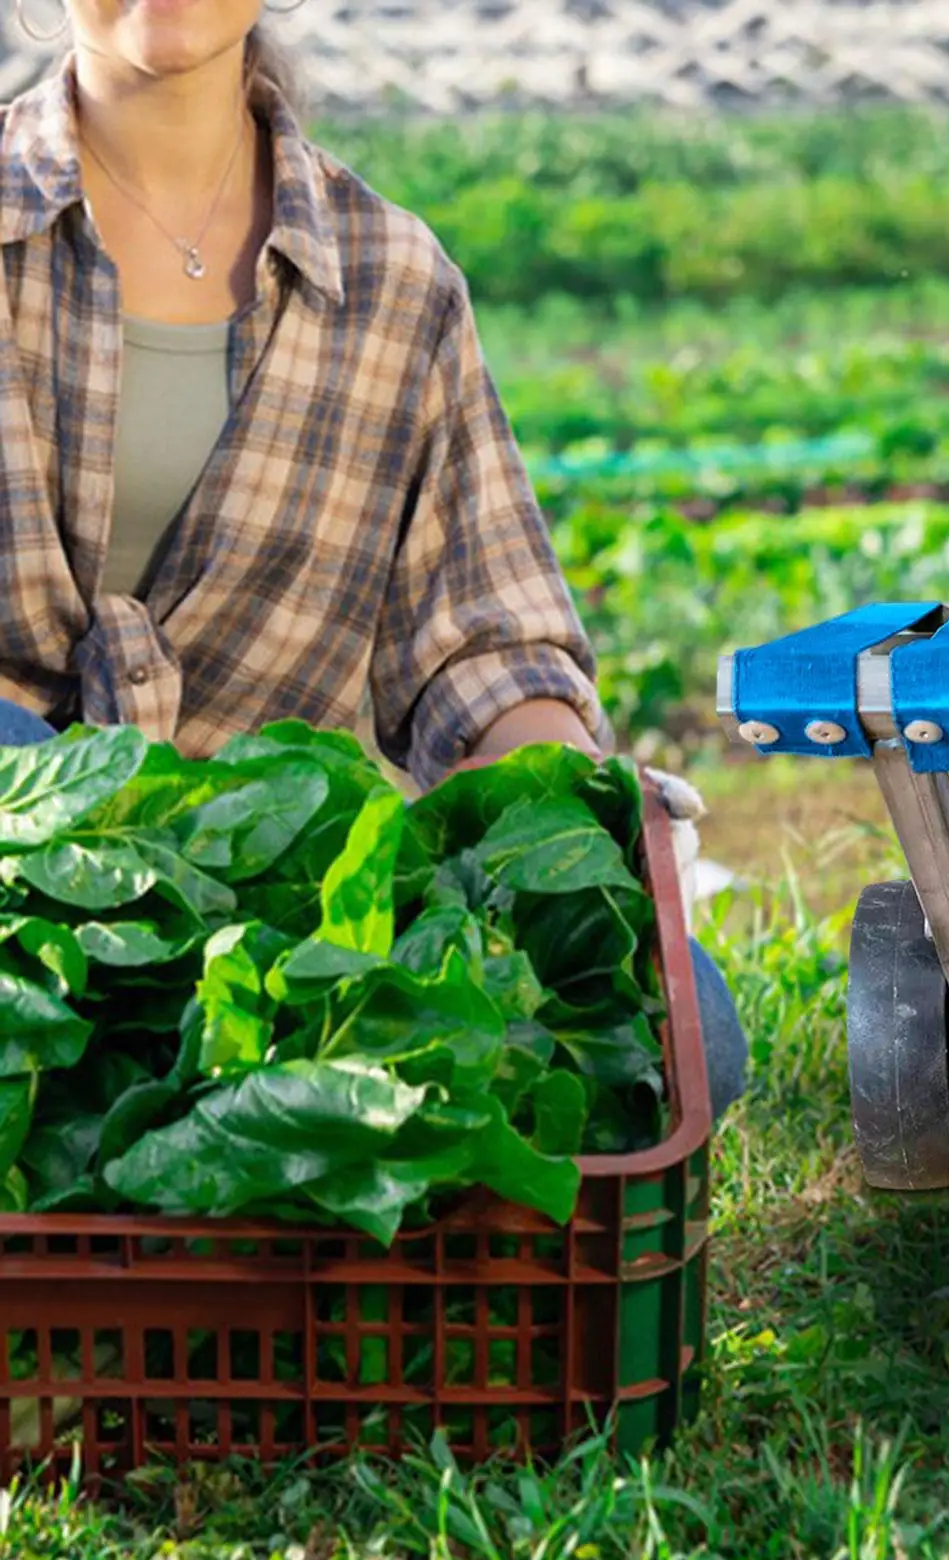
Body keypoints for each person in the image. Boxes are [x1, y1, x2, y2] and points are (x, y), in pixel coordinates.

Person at [0, 0, 746, 1119]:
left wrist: (558, 803)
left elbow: (484, 651)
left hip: (271, 882)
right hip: (18, 858)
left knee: (685, 1041)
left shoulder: (393, 280)